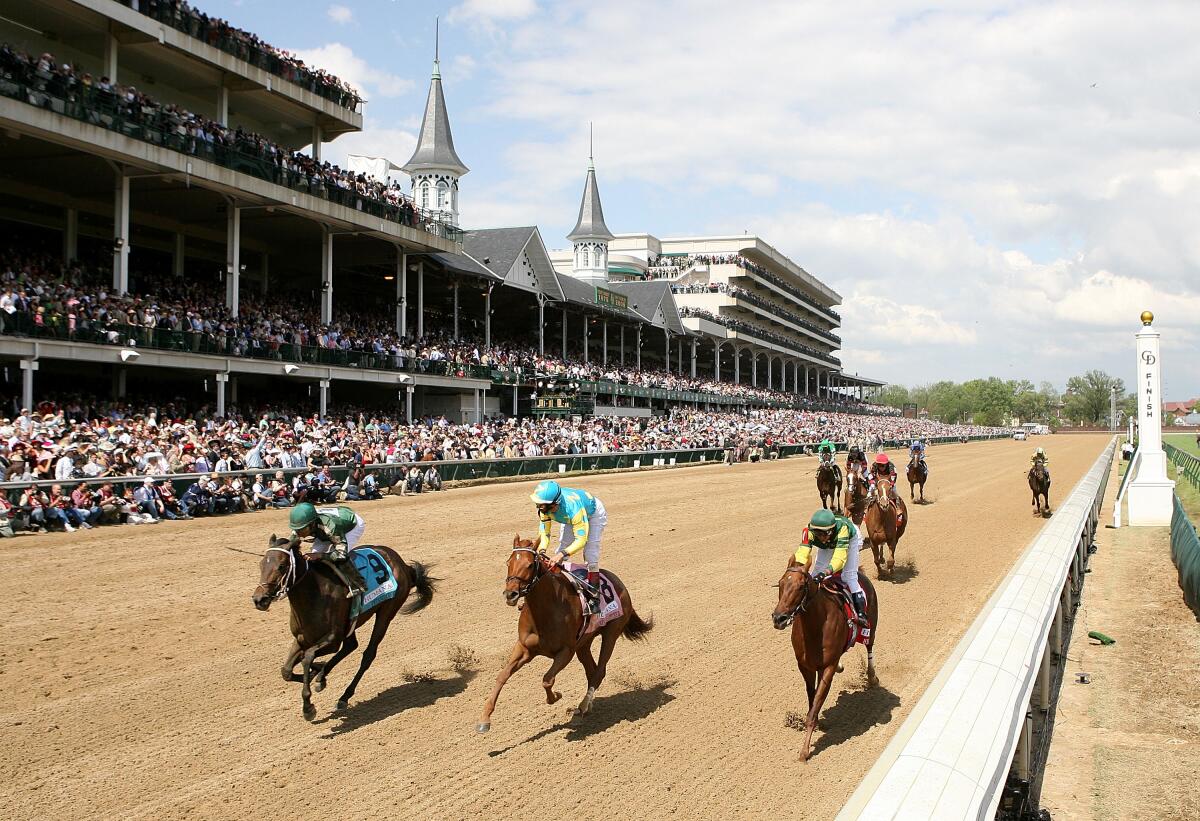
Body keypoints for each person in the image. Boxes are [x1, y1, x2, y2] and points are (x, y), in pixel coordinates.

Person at [530, 480, 607, 613]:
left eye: (541, 505)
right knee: (561, 549)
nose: (538, 507)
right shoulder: (545, 507)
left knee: (590, 553)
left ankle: (595, 599)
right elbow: (545, 533)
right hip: (569, 518)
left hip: (593, 514)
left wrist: (561, 555)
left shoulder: (573, 508)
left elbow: (581, 540)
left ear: (553, 504)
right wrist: (542, 549)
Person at [795, 509, 868, 627]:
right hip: (829, 544)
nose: (821, 537)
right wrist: (797, 570)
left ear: (831, 530)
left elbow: (839, 558)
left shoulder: (842, 529)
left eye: (824, 534)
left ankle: (861, 614)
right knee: (814, 575)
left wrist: (826, 572)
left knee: (849, 577)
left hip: (851, 539)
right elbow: (802, 553)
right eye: (818, 534)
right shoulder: (808, 532)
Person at [288, 502, 368, 597]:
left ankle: (359, 584)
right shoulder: (302, 523)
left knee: (338, 558)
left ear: (312, 524)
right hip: (323, 529)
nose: (299, 533)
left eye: (302, 529)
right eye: (297, 529)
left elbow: (341, 554)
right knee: (315, 556)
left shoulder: (330, 526)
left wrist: (320, 555)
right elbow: (291, 543)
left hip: (352, 526)